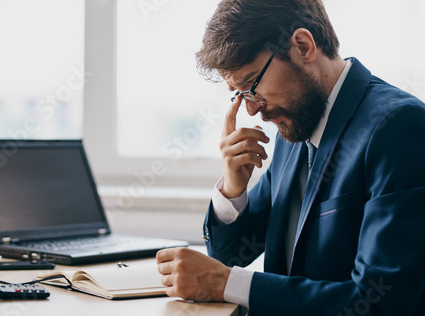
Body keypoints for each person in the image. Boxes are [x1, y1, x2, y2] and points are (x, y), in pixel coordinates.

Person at [156, 0, 425, 315]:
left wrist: (227, 284)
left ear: (303, 46)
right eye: (239, 94)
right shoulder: (297, 126)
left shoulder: (400, 127)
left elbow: (382, 303)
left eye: (252, 84)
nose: (252, 109)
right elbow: (226, 259)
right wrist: (233, 188)